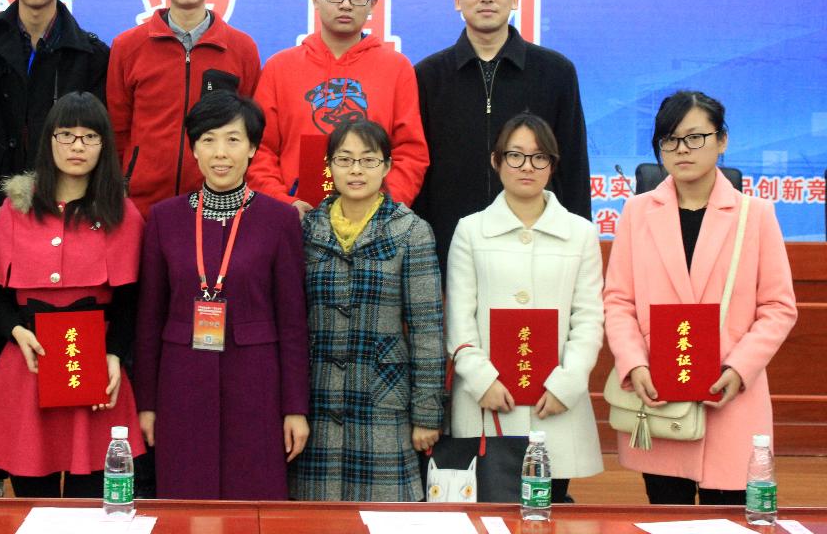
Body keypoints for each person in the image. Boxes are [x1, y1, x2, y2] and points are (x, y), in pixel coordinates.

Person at [0, 0, 109, 498]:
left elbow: (96, 135)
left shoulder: (89, 51)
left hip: (64, 209)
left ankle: (66, 456)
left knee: (59, 331)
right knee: (0, 333)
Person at [603, 91, 797, 505]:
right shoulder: (637, 213)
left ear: (721, 140)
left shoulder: (755, 215)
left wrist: (740, 368)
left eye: (695, 137)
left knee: (729, 522)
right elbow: (618, 301)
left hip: (729, 396)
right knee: (666, 521)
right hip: (660, 395)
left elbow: (778, 307)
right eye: (670, 140)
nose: (682, 149)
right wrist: (634, 363)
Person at [0, 92, 145, 498]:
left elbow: (130, 299)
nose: (77, 146)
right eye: (66, 135)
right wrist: (15, 331)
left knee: (89, 499)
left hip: (94, 363)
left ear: (104, 145)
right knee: (33, 496)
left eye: (90, 137)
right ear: (49, 141)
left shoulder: (122, 212)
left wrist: (115, 354)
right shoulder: (16, 208)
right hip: (29, 361)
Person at [133, 91, 309, 499]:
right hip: (181, 381)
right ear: (193, 148)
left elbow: (293, 323)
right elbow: (149, 319)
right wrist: (147, 403)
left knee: (254, 501)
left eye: (233, 139)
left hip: (256, 383)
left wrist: (295, 408)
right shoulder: (164, 218)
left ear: (252, 148)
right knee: (185, 498)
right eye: (208, 139)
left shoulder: (279, 219)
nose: (220, 153)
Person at [447, 113, 604, 503]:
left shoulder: (581, 233)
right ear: (496, 160)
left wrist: (568, 383)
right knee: (488, 515)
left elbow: (588, 318)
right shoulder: (470, 230)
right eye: (515, 155)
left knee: (548, 512)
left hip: (556, 404)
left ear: (552, 164)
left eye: (539, 157)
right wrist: (481, 379)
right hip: (488, 402)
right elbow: (459, 317)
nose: (527, 166)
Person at [291, 120, 444, 501]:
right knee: (314, 520)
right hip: (317, 400)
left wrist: (426, 414)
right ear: (330, 166)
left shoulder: (410, 231)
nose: (356, 170)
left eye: (368, 160)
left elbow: (427, 329)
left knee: (383, 518)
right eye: (344, 159)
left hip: (383, 400)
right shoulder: (306, 229)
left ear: (387, 166)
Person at [413, 0, 590, 279]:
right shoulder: (428, 76)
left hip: (539, 242)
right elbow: (418, 167)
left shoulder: (556, 72)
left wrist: (580, 243)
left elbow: (574, 165)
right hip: (449, 243)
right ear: (457, 0)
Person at [249, 0, 428, 214]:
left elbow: (410, 152)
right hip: (294, 218)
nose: (345, 4)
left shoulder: (397, 68)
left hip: (373, 221)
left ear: (373, 4)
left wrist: (383, 208)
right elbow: (259, 149)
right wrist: (284, 204)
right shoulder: (279, 67)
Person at [107, 0, 261, 218]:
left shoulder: (242, 49)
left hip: (218, 203)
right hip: (141, 205)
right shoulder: (128, 46)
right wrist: (122, 184)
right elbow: (117, 128)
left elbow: (253, 131)